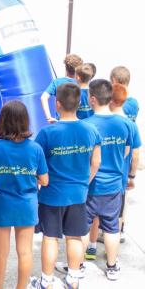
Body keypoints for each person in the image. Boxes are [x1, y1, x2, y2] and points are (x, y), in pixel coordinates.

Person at [29, 83, 101, 289]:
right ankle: (73, 279)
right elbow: (96, 162)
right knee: (75, 236)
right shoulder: (91, 130)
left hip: (52, 195)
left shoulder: (47, 133)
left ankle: (47, 281)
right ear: (79, 103)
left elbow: (37, 167)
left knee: (50, 238)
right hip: (78, 194)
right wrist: (84, 182)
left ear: (57, 104)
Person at [0, 100, 48, 289]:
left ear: (2, 121)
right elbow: (45, 180)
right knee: (25, 252)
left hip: (1, 206)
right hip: (26, 205)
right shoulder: (35, 149)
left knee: (0, 253)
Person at [82, 80, 133, 281]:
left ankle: (78, 266)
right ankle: (111, 267)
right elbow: (127, 152)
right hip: (114, 185)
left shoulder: (86, 125)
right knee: (112, 227)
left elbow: (85, 157)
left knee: (83, 227)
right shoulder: (125, 124)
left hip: (91, 185)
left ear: (92, 99)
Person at [109, 83, 141, 243]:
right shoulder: (131, 125)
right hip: (119, 178)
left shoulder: (98, 122)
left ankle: (90, 250)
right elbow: (133, 153)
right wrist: (131, 175)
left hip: (98, 180)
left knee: (92, 219)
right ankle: (112, 264)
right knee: (116, 220)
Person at [40, 54, 83, 123]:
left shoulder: (57, 82)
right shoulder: (81, 84)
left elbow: (43, 98)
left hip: (60, 121)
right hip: (77, 122)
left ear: (66, 67)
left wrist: (49, 118)